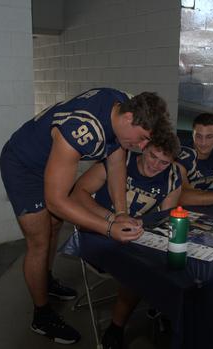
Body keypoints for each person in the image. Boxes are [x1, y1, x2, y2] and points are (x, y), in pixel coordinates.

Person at [0, 87, 170, 344]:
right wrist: (108, 228)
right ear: (127, 119)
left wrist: (120, 213)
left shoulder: (123, 104)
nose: (143, 146)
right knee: (39, 240)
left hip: (51, 159)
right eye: (143, 138)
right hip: (23, 165)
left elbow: (116, 165)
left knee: (55, 227)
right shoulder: (83, 129)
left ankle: (45, 279)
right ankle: (42, 316)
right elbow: (56, 202)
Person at [71, 129, 182, 349]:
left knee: (177, 258)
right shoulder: (120, 160)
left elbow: (163, 218)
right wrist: (113, 220)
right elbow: (78, 192)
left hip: (134, 235)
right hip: (98, 230)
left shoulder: (172, 178)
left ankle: (167, 310)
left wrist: (145, 223)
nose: (155, 165)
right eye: (153, 156)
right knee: (139, 268)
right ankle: (116, 328)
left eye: (163, 162)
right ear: (144, 147)